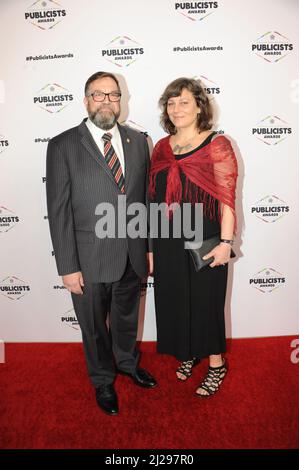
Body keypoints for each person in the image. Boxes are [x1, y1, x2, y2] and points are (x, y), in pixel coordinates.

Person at [46, 71, 156, 416]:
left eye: (113, 95)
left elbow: (144, 202)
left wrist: (148, 247)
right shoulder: (63, 144)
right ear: (85, 100)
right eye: (99, 95)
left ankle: (126, 363)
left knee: (126, 319)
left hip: (131, 255)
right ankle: (102, 380)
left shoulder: (138, 141)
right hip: (88, 259)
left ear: (121, 101)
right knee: (94, 327)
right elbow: (59, 210)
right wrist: (67, 266)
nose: (107, 101)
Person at [149, 77, 238, 397]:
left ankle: (216, 364)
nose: (176, 109)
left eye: (184, 101)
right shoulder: (161, 146)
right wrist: (151, 247)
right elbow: (154, 200)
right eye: (171, 103)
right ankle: (187, 353)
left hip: (206, 240)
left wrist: (226, 244)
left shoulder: (217, 144)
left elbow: (227, 198)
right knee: (174, 302)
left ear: (200, 106)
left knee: (206, 305)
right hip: (168, 241)